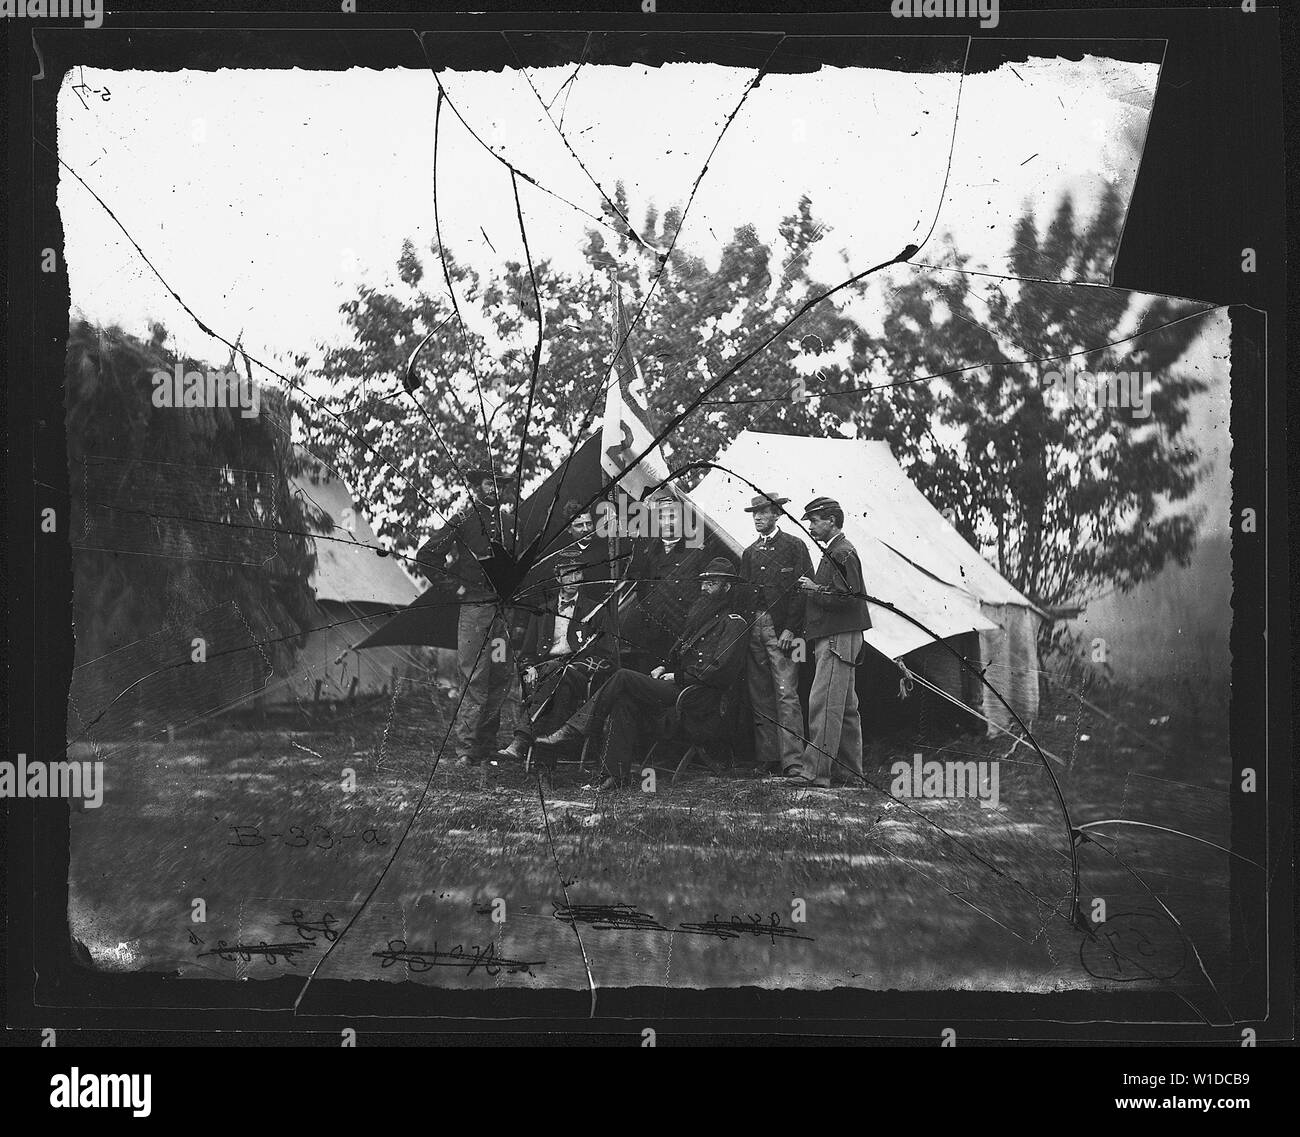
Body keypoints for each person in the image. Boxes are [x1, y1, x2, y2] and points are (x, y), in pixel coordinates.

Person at [536, 558, 749, 791]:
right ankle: (614, 776)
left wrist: (676, 678)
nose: (704, 588)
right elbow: (681, 657)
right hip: (679, 689)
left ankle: (576, 729)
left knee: (624, 677)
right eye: (704, 583)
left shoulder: (734, 624)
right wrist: (664, 668)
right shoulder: (702, 617)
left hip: (698, 699)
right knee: (623, 699)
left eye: (712, 584)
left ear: (726, 588)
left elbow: (719, 671)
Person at [415, 466, 518, 768]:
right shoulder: (463, 520)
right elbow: (427, 555)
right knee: (474, 676)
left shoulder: (512, 524)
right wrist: (456, 588)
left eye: (499, 485)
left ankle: (487, 746)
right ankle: (466, 750)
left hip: (503, 612)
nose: (494, 490)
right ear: (476, 486)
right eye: (489, 483)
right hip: (475, 609)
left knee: (500, 677)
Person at [786, 496, 872, 788]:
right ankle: (851, 773)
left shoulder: (842, 552)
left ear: (831, 520)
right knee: (845, 707)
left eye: (814, 520)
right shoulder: (836, 551)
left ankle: (814, 772)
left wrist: (813, 589)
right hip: (842, 635)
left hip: (837, 636)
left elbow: (850, 596)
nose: (810, 525)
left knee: (823, 703)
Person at [494, 560, 612, 767]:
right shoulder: (542, 610)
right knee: (559, 686)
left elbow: (605, 653)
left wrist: (578, 665)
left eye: (578, 575)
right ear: (557, 578)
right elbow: (528, 652)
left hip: (578, 669)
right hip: (547, 669)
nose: (573, 580)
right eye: (567, 575)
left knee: (558, 673)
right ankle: (545, 761)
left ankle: (521, 740)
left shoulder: (595, 610)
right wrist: (528, 667)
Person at [739, 492, 815, 777]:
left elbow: (803, 592)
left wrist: (791, 629)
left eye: (763, 512)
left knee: (787, 693)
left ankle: (793, 760)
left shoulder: (795, 546)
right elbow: (745, 594)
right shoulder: (749, 553)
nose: (758, 517)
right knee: (760, 693)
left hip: (785, 630)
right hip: (755, 628)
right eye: (754, 513)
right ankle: (769, 756)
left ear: (777, 514)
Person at [619, 494, 701, 671]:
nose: (667, 522)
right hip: (653, 632)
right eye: (661, 517)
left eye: (672, 516)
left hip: (682, 631)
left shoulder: (695, 552)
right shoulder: (648, 551)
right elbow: (640, 588)